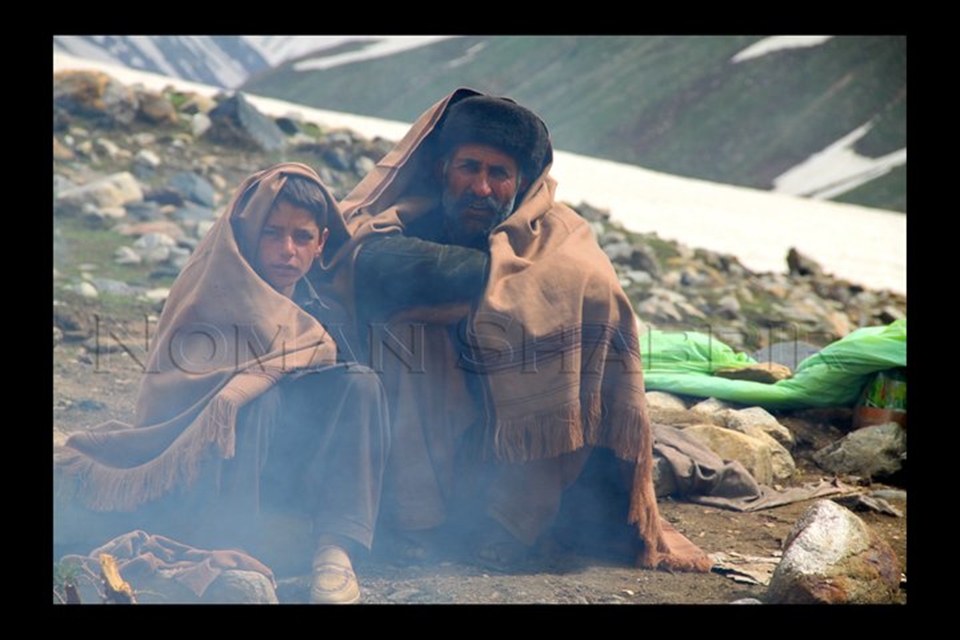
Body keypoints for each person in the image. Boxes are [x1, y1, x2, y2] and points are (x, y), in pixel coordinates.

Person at [324, 89, 711, 572]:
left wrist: (472, 297)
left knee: (555, 353)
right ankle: (416, 519)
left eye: (498, 174)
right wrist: (486, 283)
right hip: (437, 398)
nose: (481, 187)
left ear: (521, 182)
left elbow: (586, 291)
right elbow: (367, 263)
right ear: (443, 168)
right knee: (407, 343)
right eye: (469, 167)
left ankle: (514, 524)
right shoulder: (409, 218)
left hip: (531, 410)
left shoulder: (559, 235)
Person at [57, 163, 391, 604]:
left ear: (321, 243)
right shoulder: (208, 296)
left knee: (362, 384)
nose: (287, 250)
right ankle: (237, 546)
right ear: (249, 234)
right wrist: (259, 381)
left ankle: (335, 551)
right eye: (272, 233)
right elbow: (175, 394)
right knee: (256, 399)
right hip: (212, 478)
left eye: (301, 237)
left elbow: (334, 403)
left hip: (291, 477)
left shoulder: (321, 307)